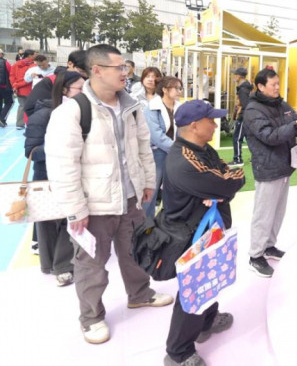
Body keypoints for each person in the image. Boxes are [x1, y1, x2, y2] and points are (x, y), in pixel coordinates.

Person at [45, 44, 173, 345]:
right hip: (94, 205)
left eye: (126, 67)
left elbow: (143, 148)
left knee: (135, 251)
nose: (126, 73)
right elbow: (62, 165)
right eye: (120, 68)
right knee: (91, 264)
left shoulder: (132, 106)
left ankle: (139, 294)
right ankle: (91, 317)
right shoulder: (72, 111)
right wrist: (76, 209)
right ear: (97, 70)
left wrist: (147, 183)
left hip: (130, 199)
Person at [162, 99, 246, 366]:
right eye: (211, 120)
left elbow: (227, 173)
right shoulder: (183, 161)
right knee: (193, 289)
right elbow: (230, 181)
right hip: (191, 234)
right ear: (195, 125)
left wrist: (219, 189)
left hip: (208, 230)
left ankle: (206, 321)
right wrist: (221, 189)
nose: (215, 125)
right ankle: (178, 352)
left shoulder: (202, 148)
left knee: (211, 278)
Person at [244, 68, 297, 277]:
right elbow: (270, 136)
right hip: (268, 168)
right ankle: (255, 256)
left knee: (278, 211)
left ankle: (269, 246)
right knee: (263, 214)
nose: (277, 87)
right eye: (273, 84)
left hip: (285, 165)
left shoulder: (281, 105)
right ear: (260, 86)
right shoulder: (253, 110)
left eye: (278, 83)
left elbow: (295, 127)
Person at [24, 71, 84, 286]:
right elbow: (31, 151)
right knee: (48, 222)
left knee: (70, 219)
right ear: (65, 90)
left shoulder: (81, 113)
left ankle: (63, 266)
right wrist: (61, 147)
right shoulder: (43, 115)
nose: (84, 93)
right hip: (46, 177)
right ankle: (50, 265)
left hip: (72, 175)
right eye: (80, 88)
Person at [144, 76, 183, 218]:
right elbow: (156, 136)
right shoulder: (151, 108)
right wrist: (177, 148)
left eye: (180, 88)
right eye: (176, 88)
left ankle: (168, 222)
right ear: (165, 90)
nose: (179, 91)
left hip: (175, 153)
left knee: (173, 190)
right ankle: (146, 223)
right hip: (156, 153)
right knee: (151, 189)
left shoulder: (180, 107)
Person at [24, 49, 87, 120]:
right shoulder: (50, 81)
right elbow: (30, 108)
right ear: (70, 64)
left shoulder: (88, 81)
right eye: (82, 71)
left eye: (88, 72)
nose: (85, 75)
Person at [229, 67, 253, 166]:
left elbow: (245, 104)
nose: (234, 76)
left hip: (244, 116)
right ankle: (256, 157)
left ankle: (238, 159)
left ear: (239, 76)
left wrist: (240, 114)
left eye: (235, 75)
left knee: (237, 138)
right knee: (249, 138)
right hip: (247, 116)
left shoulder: (243, 89)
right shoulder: (245, 87)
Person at [10, 49, 35, 129]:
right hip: (30, 89)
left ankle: (20, 124)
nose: (36, 56)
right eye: (35, 54)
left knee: (21, 106)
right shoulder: (33, 66)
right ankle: (32, 124)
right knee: (33, 107)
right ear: (30, 56)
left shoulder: (16, 64)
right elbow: (29, 79)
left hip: (19, 90)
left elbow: (12, 76)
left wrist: (15, 85)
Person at [0, 48, 12, 127]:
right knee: (9, 102)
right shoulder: (6, 62)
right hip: (4, 86)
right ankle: (2, 119)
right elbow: (11, 73)